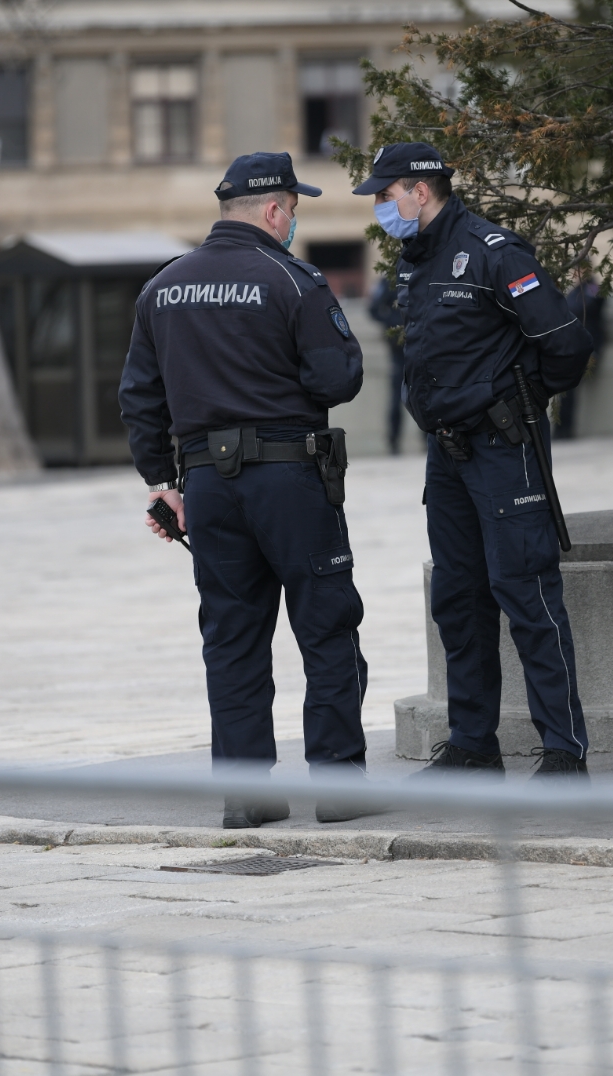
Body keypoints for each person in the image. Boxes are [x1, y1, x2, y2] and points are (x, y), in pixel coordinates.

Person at [119, 152, 379, 829]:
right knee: (326, 625)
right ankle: (340, 785)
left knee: (231, 637)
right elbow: (337, 380)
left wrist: (162, 485)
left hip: (205, 483)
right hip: (289, 476)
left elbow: (139, 398)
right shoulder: (291, 278)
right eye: (293, 208)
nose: (293, 221)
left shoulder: (163, 287)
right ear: (273, 210)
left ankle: (246, 795)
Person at [352, 143, 596, 779]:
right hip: (448, 454)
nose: (382, 206)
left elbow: (565, 343)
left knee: (527, 593)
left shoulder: (493, 251)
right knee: (458, 599)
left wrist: (518, 401)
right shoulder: (418, 260)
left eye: (387, 193)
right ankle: (472, 746)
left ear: (420, 191)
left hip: (501, 447)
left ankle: (566, 754)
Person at [558, 272, 606, 439]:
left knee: (568, 385)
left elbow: (581, 308)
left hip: (589, 349)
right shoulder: (575, 291)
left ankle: (565, 429)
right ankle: (562, 428)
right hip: (573, 347)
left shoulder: (592, 288)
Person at [367, 275, 409, 454]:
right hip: (398, 348)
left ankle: (429, 439)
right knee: (396, 396)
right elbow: (373, 308)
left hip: (421, 344)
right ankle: (394, 441)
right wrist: (392, 325)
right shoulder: (390, 280)